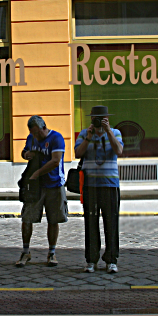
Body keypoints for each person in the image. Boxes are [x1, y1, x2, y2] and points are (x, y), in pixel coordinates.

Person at [74, 106, 124, 273]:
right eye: (96, 118)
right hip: (90, 186)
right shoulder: (83, 134)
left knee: (111, 223)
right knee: (90, 224)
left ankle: (111, 260)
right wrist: (88, 137)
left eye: (102, 119)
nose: (98, 122)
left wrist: (108, 131)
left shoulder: (115, 133)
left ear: (107, 119)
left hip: (110, 185)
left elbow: (119, 150)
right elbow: (77, 154)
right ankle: (91, 260)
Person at [16, 115, 68, 267]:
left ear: (44, 127)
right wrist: (26, 155)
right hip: (35, 187)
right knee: (27, 218)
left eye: (37, 133)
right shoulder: (31, 138)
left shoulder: (56, 138)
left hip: (54, 184)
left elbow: (55, 161)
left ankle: (52, 253)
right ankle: (26, 252)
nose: (35, 136)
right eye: (33, 133)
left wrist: (36, 174)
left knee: (53, 219)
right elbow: (24, 152)